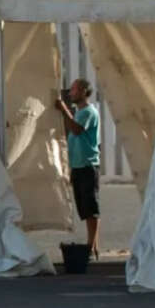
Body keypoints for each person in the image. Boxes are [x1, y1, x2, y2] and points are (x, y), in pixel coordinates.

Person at [55, 79, 101, 258]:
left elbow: (76, 130)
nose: (70, 93)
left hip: (87, 165)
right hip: (78, 165)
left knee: (91, 206)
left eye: (73, 90)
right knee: (86, 207)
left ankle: (91, 244)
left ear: (83, 91)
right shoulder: (79, 112)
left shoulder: (88, 112)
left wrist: (63, 109)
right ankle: (93, 243)